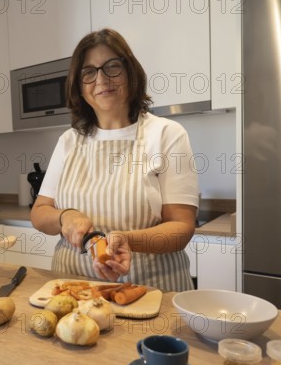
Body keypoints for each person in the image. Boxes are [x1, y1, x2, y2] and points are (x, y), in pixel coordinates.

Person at [30, 28, 198, 292]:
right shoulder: (68, 141)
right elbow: (39, 213)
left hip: (150, 291)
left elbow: (181, 227)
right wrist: (65, 218)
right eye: (89, 71)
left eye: (112, 66)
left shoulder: (167, 134)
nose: (102, 79)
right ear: (79, 86)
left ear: (131, 73)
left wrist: (127, 240)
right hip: (75, 290)